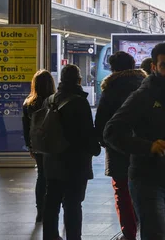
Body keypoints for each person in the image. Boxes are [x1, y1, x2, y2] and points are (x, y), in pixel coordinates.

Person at [104, 42, 165, 240]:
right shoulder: (142, 96)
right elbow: (111, 132)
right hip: (147, 181)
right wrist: (148, 146)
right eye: (164, 65)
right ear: (154, 67)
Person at [43, 64, 101, 240]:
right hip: (75, 162)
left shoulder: (51, 99)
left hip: (52, 160)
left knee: (52, 201)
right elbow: (86, 132)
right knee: (73, 203)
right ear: (79, 80)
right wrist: (95, 148)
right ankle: (74, 237)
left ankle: (50, 236)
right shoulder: (79, 101)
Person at [95, 51, 146, 240]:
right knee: (144, 190)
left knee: (122, 192)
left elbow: (101, 123)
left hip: (118, 149)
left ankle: (129, 234)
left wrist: (104, 141)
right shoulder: (145, 86)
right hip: (144, 148)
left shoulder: (111, 89)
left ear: (114, 69)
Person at [22, 69, 56, 223]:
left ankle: (40, 211)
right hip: (53, 144)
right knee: (54, 177)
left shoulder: (29, 103)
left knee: (41, 175)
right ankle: (53, 209)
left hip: (37, 144)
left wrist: (29, 146)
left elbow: (26, 127)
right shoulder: (54, 100)